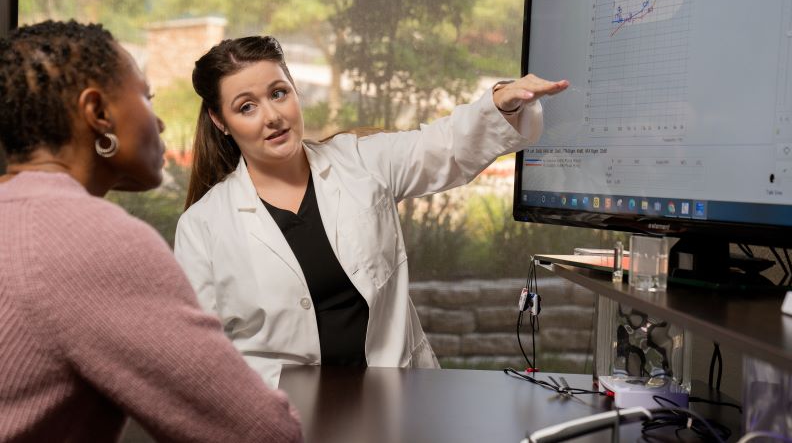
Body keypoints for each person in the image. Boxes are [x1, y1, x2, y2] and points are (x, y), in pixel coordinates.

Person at [175, 35, 568, 388]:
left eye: (279, 93)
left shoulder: (360, 161)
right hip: (285, 418)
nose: (272, 116)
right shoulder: (202, 227)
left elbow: (442, 147)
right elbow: (202, 353)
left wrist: (499, 102)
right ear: (220, 121)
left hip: (397, 402)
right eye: (247, 107)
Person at [0, 21, 303, 442]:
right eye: (146, 97)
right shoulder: (94, 241)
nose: (159, 123)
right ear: (98, 113)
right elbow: (262, 433)